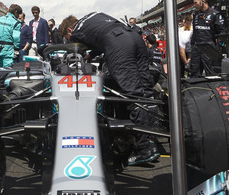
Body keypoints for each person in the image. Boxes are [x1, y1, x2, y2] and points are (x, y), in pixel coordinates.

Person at [59, 12, 161, 165]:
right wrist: (92, 55)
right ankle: (152, 137)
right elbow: (102, 36)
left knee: (132, 94)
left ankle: (144, 149)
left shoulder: (77, 30)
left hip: (118, 44)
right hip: (134, 38)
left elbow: (74, 55)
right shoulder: (93, 18)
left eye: (67, 37)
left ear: (68, 30)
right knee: (146, 91)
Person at [188, 0, 226, 77]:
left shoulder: (215, 14)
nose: (194, 5)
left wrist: (218, 48)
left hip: (209, 47)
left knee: (211, 74)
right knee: (194, 73)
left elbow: (222, 33)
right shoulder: (196, 15)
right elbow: (195, 33)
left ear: (203, 1)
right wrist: (192, 48)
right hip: (196, 48)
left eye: (196, 3)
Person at [0, 4, 22, 68]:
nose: (18, 16)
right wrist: (16, 49)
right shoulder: (16, 22)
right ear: (16, 11)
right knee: (7, 70)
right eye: (19, 14)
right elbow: (16, 37)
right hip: (8, 49)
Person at [177, 14, 192, 78]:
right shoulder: (180, 31)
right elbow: (181, 50)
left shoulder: (193, 30)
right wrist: (186, 63)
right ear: (184, 22)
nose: (188, 25)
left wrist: (189, 58)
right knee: (181, 68)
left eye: (189, 23)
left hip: (190, 51)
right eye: (187, 23)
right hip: (182, 51)